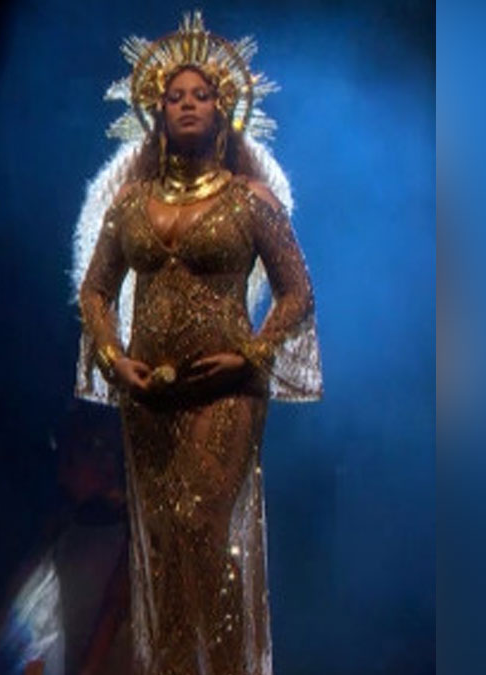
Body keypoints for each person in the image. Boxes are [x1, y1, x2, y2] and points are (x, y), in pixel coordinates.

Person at [74, 12, 322, 675]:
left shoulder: (249, 199)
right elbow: (95, 291)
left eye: (201, 94)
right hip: (148, 395)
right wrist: (112, 358)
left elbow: (297, 292)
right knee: (163, 545)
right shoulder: (130, 204)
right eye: (175, 96)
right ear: (157, 113)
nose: (187, 104)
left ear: (223, 110)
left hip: (226, 392)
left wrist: (252, 356)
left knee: (204, 532)